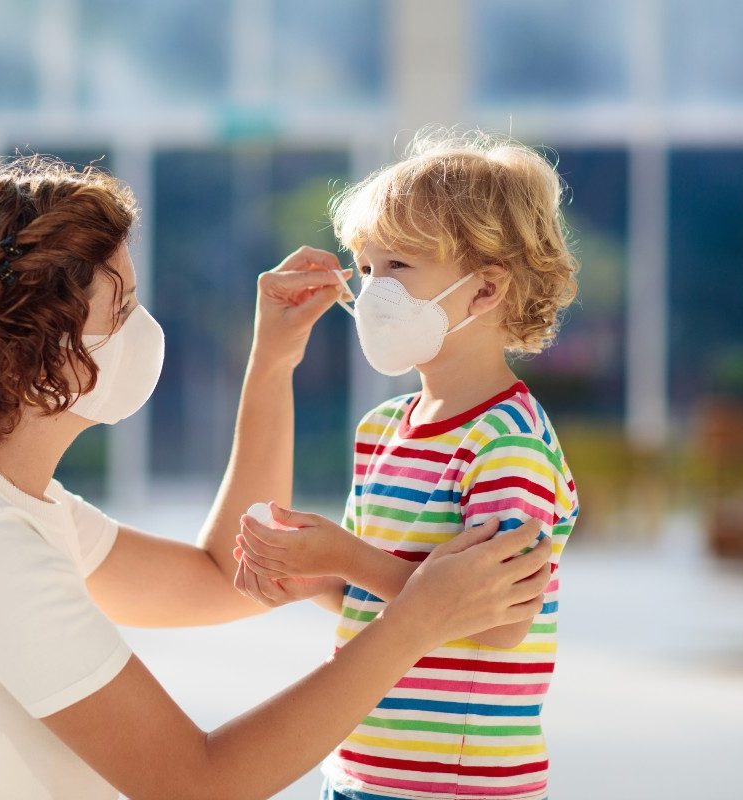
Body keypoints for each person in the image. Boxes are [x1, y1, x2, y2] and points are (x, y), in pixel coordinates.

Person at [0, 155, 552, 800]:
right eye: (124, 309)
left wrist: (272, 364)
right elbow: (198, 785)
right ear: (43, 358)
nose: (145, 329)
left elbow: (218, 577)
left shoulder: (5, 506)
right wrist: (416, 619)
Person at [234, 131, 581, 800]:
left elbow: (504, 617)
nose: (371, 293)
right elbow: (381, 592)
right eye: (363, 270)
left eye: (397, 266)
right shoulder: (383, 430)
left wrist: (344, 554)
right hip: (359, 767)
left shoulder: (507, 443)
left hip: (458, 785)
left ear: (483, 291)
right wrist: (313, 577)